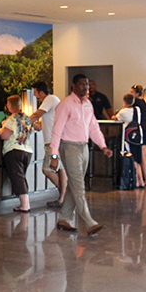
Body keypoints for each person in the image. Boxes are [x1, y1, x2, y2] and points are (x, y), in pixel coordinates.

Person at [49, 74, 114, 236]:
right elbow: (57, 130)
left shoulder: (87, 104)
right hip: (69, 147)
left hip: (83, 147)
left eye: (87, 84)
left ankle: (64, 219)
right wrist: (54, 155)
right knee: (79, 186)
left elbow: (93, 128)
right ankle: (89, 222)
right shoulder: (65, 104)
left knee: (74, 184)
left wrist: (103, 146)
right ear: (73, 86)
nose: (85, 87)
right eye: (81, 84)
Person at [29, 82, 67, 209]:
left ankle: (66, 196)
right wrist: (30, 125)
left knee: (47, 169)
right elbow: (40, 126)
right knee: (61, 170)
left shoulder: (50, 99)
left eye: (35, 92)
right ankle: (63, 198)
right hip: (58, 140)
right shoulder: (52, 101)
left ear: (41, 92)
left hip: (53, 142)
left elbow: (36, 115)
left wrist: (22, 122)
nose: (34, 95)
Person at [0, 94, 36, 213]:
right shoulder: (27, 118)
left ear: (10, 105)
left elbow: (4, 135)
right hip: (27, 150)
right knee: (21, 177)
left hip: (14, 150)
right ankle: (24, 203)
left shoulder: (12, 119)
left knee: (17, 177)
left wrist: (2, 127)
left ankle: (25, 205)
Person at [115, 93, 145, 188]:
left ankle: (136, 180)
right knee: (138, 159)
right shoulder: (137, 109)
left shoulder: (123, 112)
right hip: (138, 136)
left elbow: (115, 118)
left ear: (124, 101)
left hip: (129, 138)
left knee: (133, 159)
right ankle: (141, 180)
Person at [130, 84, 146, 187]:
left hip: (140, 129)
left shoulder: (135, 103)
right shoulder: (144, 102)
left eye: (132, 92)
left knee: (143, 155)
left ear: (137, 93)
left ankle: (144, 178)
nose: (130, 94)